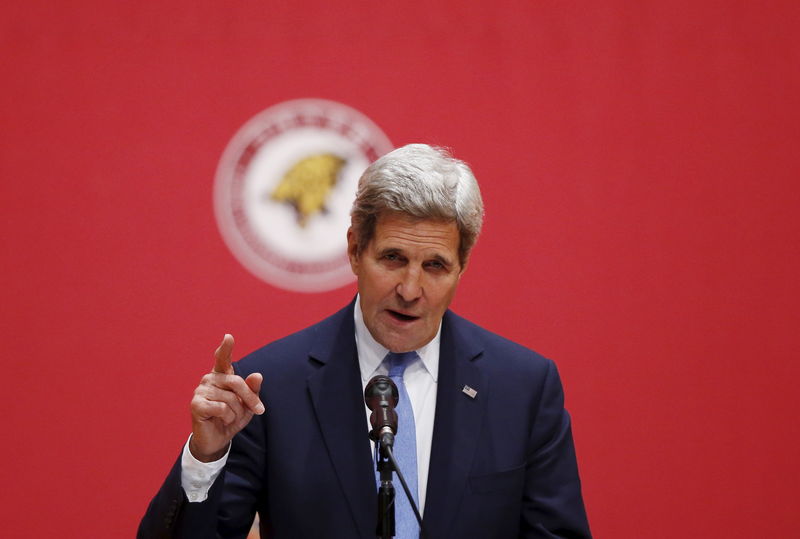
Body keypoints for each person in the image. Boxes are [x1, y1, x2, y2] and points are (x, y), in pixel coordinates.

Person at [138, 144, 591, 538]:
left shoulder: (522, 388)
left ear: (462, 267)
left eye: (435, 266)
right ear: (355, 249)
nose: (411, 290)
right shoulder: (272, 388)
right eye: (393, 258)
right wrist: (207, 457)